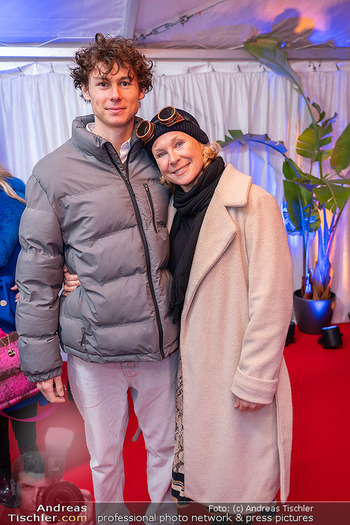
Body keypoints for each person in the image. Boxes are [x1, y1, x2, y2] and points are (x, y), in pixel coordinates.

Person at [15, 34, 179, 506]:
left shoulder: (162, 155)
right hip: (92, 348)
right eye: (102, 83)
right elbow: (37, 270)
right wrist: (42, 360)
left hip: (159, 341)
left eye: (125, 82)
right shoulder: (53, 172)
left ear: (140, 89)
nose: (114, 94)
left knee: (165, 449)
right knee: (105, 458)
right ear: (85, 90)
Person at [136, 107, 293, 504]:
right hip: (192, 364)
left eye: (179, 143)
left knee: (241, 486)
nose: (173, 157)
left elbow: (272, 297)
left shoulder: (254, 203)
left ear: (205, 147)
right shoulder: (174, 209)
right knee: (207, 480)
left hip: (234, 361)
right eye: (161, 153)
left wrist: (256, 376)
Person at [0, 165, 43, 509]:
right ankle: (2, 472)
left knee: (19, 384)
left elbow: (35, 243)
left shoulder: (13, 188)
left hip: (12, 304)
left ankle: (30, 452)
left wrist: (28, 276)